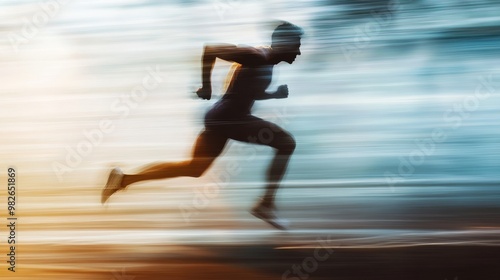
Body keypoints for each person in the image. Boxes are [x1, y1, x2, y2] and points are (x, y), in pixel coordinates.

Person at [101, 21, 303, 230]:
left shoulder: (266, 62)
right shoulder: (257, 56)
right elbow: (211, 50)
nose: (298, 51)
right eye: (297, 44)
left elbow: (247, 91)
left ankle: (124, 179)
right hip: (231, 118)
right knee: (286, 143)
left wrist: (273, 95)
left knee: (194, 168)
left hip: (223, 118)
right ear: (284, 44)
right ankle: (265, 204)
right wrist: (206, 86)